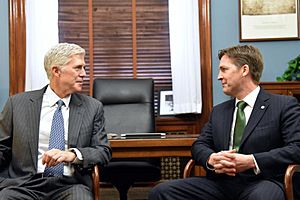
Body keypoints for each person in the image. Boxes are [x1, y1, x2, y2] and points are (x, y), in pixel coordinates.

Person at [149, 44, 300, 200]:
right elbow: (199, 145)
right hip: (221, 183)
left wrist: (252, 161)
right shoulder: (219, 111)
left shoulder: (283, 105)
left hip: (264, 180)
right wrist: (211, 158)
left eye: (224, 69)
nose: (219, 76)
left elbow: (296, 148)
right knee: (161, 192)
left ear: (244, 70)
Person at [0, 43, 112, 199]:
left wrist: (72, 155)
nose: (84, 74)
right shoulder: (17, 104)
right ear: (56, 71)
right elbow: (2, 148)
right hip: (24, 185)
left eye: (83, 68)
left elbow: (103, 151)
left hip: (70, 185)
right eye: (77, 68)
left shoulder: (92, 108)